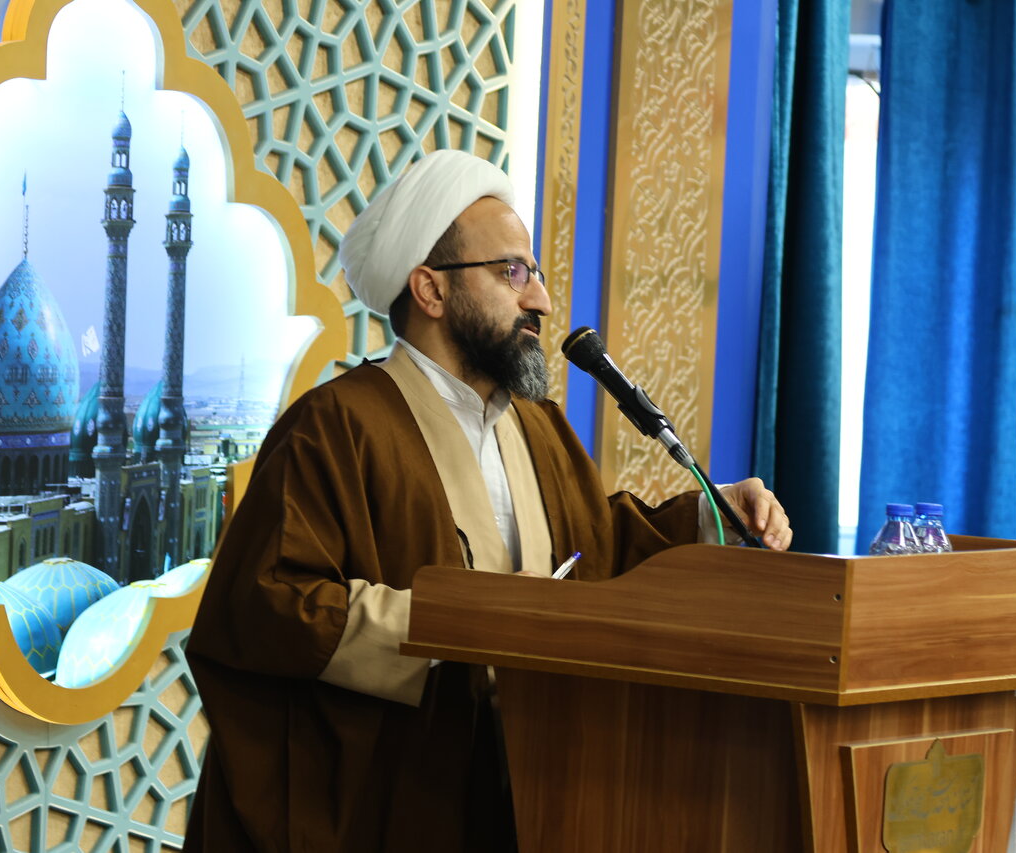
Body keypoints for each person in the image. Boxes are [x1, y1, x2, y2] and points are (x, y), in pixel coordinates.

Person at [183, 149, 792, 853]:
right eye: (512, 273)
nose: (540, 301)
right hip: (401, 803)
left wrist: (712, 513)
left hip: (533, 787)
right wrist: (465, 621)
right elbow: (266, 604)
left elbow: (597, 552)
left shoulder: (540, 428)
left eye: (535, 274)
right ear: (431, 290)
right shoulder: (336, 426)